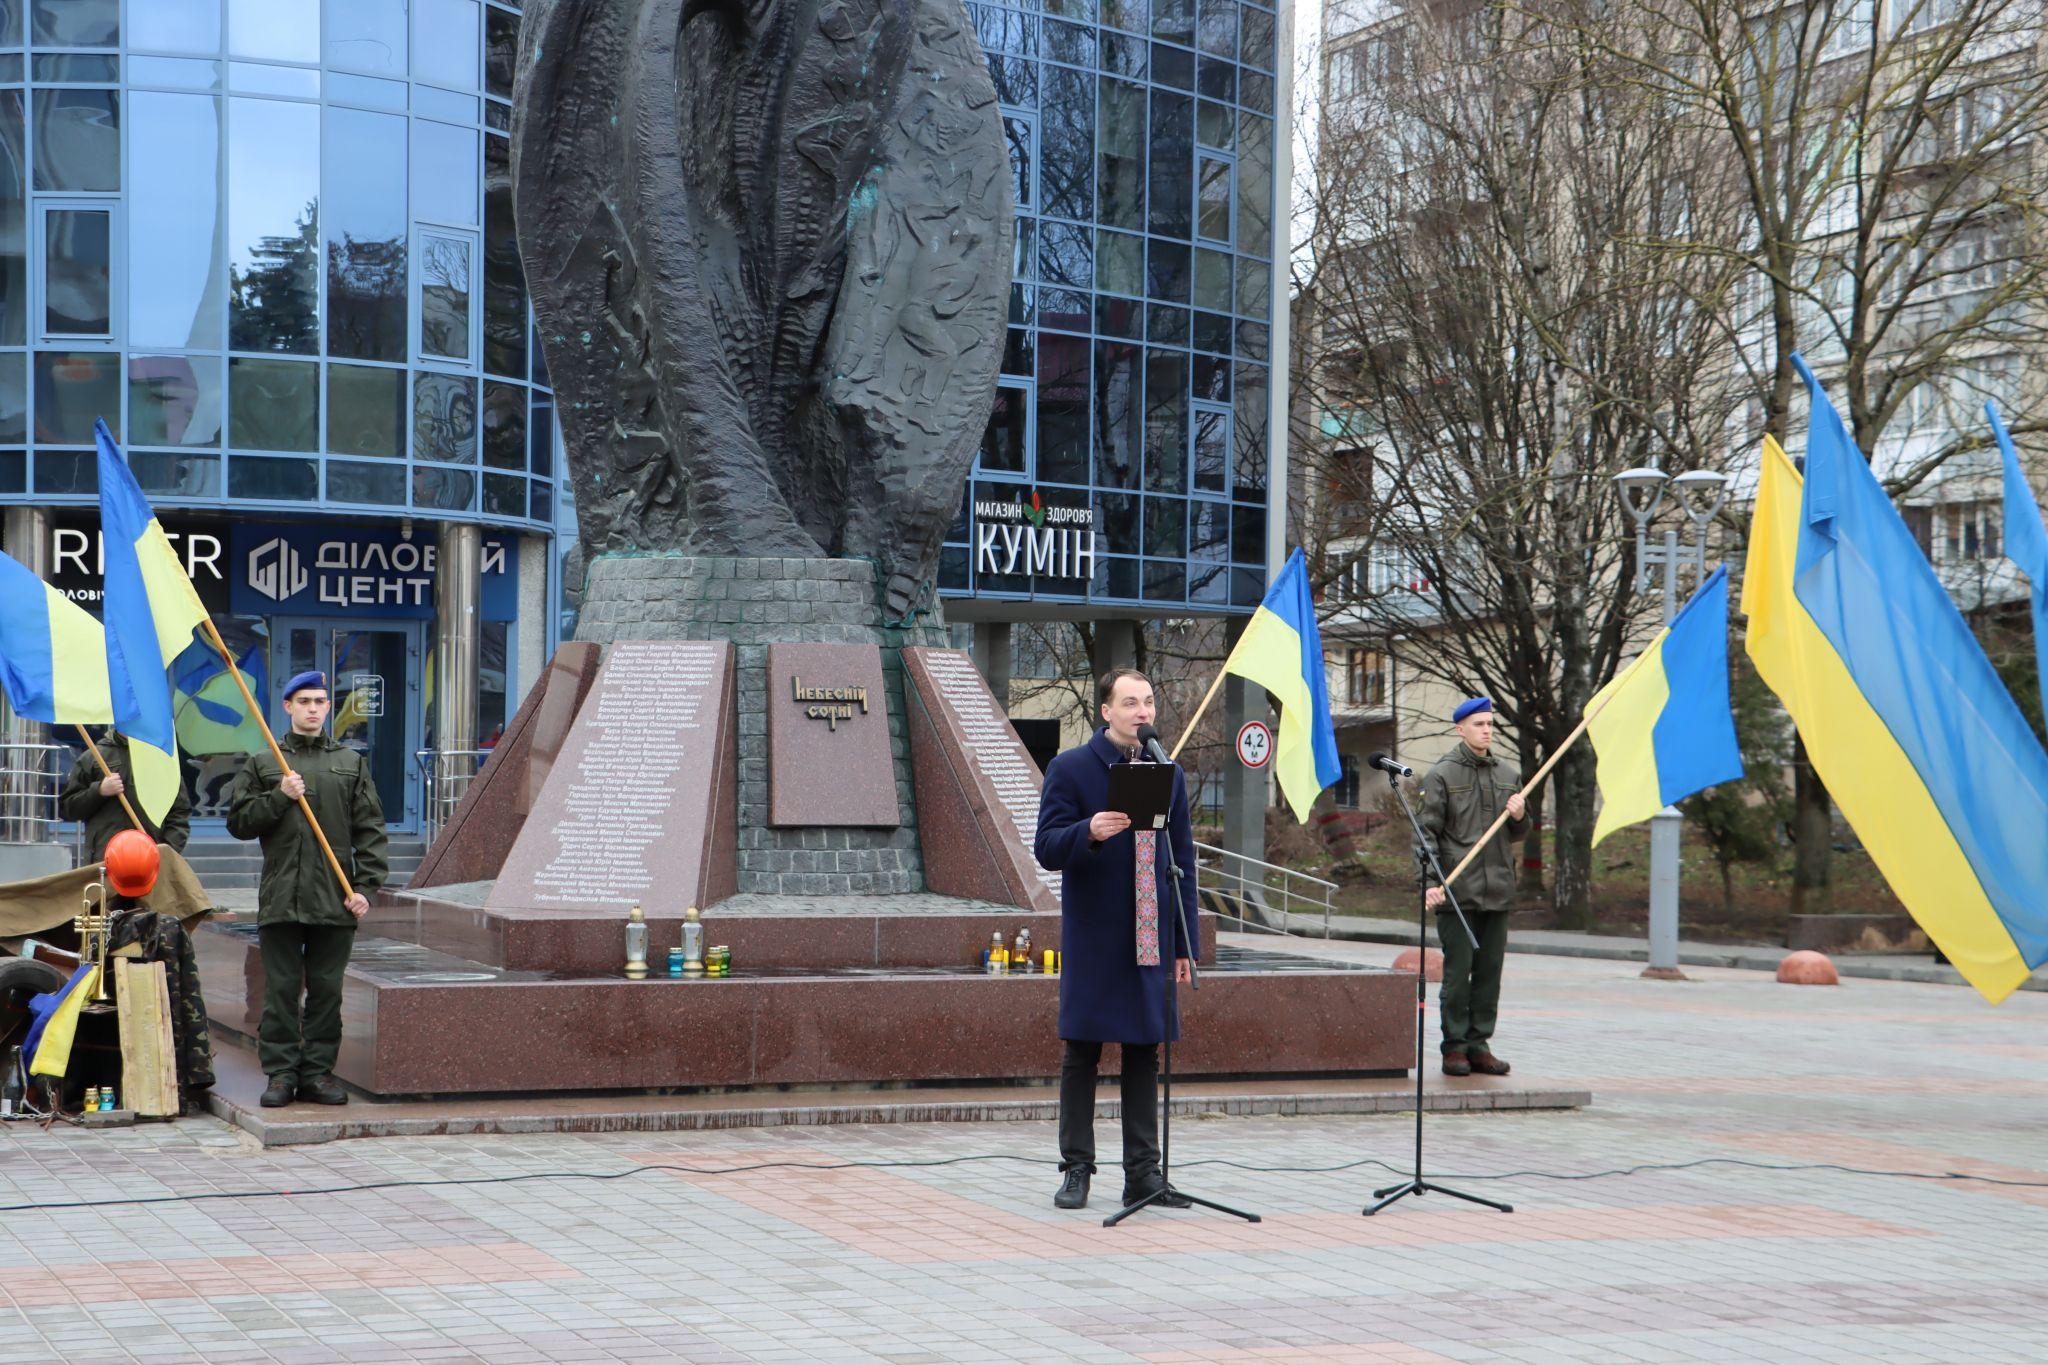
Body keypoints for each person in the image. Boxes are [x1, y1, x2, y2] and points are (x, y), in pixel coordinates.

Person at [1034, 668, 1198, 1212]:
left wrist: (1184, 944)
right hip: (1096, 933)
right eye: (1130, 703)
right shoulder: (1071, 768)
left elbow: (1183, 860)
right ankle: (1076, 1168)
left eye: (1148, 701)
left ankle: (1144, 1174)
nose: (1142, 711)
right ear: (1105, 711)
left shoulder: (1168, 773)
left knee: (1144, 1050)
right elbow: (1046, 847)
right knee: (1082, 1049)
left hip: (1151, 933)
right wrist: (1089, 831)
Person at [227, 671, 387, 1109]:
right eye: (304, 701)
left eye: (319, 701)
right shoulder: (266, 763)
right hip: (281, 896)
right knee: (280, 991)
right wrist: (279, 795)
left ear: (328, 707)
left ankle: (317, 1073)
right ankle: (281, 1074)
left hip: (335, 898)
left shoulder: (350, 763)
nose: (313, 708)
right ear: (288, 707)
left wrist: (366, 887)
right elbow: (239, 823)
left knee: (326, 992)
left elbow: (370, 829)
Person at [1415, 696, 1530, 1077]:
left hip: (1497, 888)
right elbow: (1425, 834)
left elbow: (1518, 833)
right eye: (1479, 724)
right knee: (1458, 975)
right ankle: (1455, 1048)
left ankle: (1479, 1044)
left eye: (1490, 724)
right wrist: (1430, 882)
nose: (1486, 730)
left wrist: (1519, 816)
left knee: (1489, 973)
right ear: (1460, 729)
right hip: (1457, 892)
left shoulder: (1508, 775)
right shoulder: (1442, 775)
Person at [57, 729, 191, 862]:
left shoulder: (161, 761)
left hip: (150, 861)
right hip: (104, 859)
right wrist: (99, 791)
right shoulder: (95, 756)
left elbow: (179, 813)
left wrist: (165, 852)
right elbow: (68, 808)